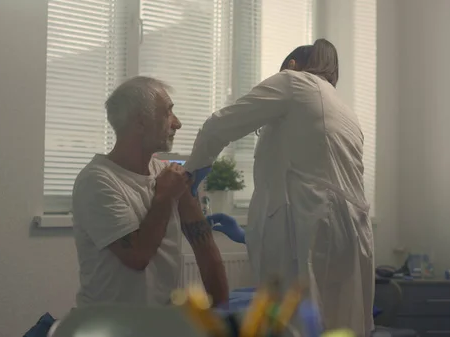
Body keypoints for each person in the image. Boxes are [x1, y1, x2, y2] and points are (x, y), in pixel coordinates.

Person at [185, 39, 375, 336]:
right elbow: (313, 174)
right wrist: (248, 235)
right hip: (348, 232)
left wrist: (193, 171)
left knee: (295, 325)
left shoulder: (293, 81)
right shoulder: (343, 109)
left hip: (311, 221)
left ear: (292, 65)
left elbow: (219, 125)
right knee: (337, 325)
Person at [72, 76, 229, 308]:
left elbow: (204, 246)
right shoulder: (96, 181)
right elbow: (137, 256)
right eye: (168, 112)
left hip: (160, 324)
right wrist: (164, 197)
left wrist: (222, 314)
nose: (177, 123)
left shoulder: (168, 174)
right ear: (140, 122)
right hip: (110, 325)